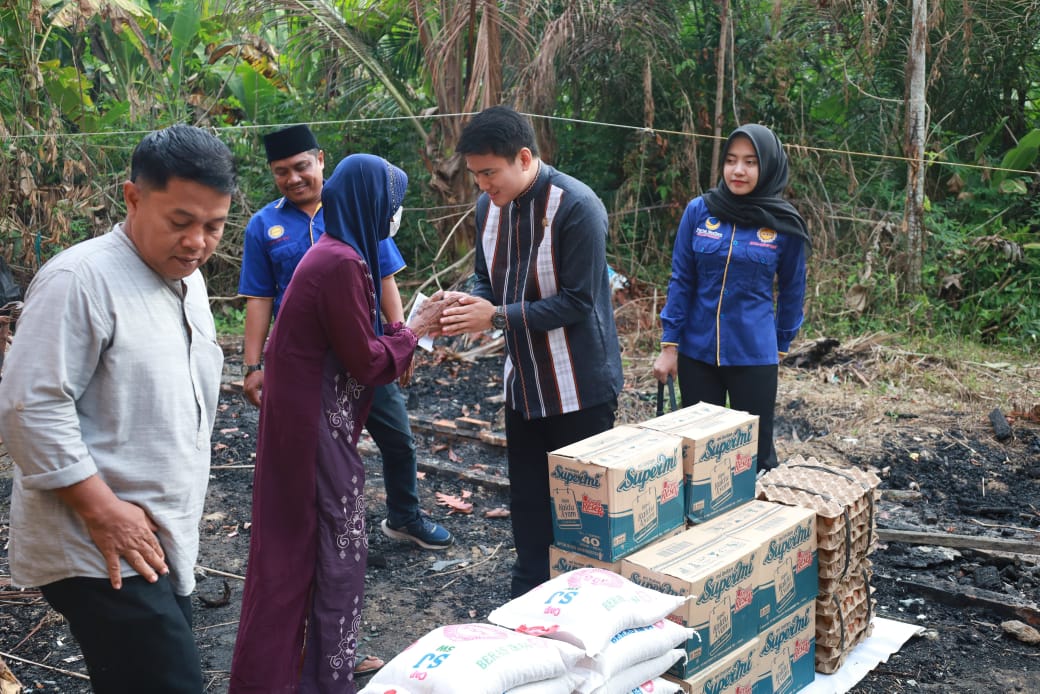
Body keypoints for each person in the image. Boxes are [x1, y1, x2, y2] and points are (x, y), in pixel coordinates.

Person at [0, 125, 236, 693]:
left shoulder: (189, 282)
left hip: (154, 536)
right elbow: (29, 407)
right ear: (132, 198)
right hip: (97, 542)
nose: (197, 242)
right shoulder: (80, 280)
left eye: (214, 226)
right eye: (180, 222)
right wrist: (103, 510)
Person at [229, 154, 417, 693]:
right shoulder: (340, 263)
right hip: (313, 428)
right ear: (370, 204)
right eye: (393, 204)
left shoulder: (339, 252)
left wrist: (399, 335)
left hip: (304, 421)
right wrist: (412, 331)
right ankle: (321, 678)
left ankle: (289, 673)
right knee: (336, 547)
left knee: (296, 552)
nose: (395, 214)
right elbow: (367, 361)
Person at [434, 105, 624, 598]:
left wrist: (495, 317)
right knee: (529, 499)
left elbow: (579, 302)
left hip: (579, 384)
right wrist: (470, 303)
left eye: (489, 173)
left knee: (586, 504)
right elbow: (485, 276)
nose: (482, 186)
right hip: (524, 383)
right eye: (475, 175)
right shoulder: (488, 207)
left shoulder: (577, 206)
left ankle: (591, 600)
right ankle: (530, 595)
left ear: (523, 158)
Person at [238, 124, 452, 557]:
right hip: (312, 365)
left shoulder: (359, 205)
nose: (293, 178)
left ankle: (404, 515)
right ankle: (322, 538)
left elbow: (385, 277)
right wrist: (252, 365)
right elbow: (259, 299)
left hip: (367, 349)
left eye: (301, 166)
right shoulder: (264, 225)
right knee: (324, 453)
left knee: (398, 438)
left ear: (320, 160)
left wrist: (401, 338)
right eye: (281, 171)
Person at [652, 124, 810, 472]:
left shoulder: (784, 224)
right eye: (731, 160)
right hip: (697, 353)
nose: (738, 170)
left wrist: (780, 344)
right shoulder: (699, 211)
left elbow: (793, 290)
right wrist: (670, 345)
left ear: (767, 166)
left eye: (750, 162)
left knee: (754, 458)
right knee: (698, 456)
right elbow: (681, 279)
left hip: (753, 355)